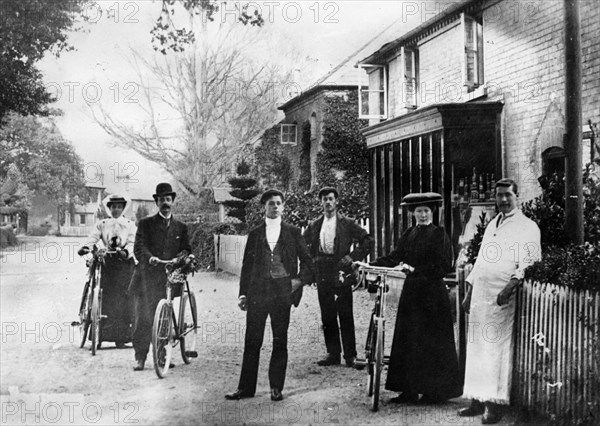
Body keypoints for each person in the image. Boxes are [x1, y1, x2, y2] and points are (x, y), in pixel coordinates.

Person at [459, 179, 541, 424]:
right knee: (477, 347)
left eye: (508, 195)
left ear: (517, 196)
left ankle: (494, 405)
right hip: (481, 293)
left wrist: (511, 286)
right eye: (499, 195)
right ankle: (476, 399)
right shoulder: (493, 223)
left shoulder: (527, 226)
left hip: (501, 294)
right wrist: (468, 291)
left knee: (495, 348)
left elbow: (529, 261)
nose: (503, 200)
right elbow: (481, 260)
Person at [369, 192, 462, 404]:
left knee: (431, 341)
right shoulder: (409, 233)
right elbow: (394, 257)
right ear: (413, 214)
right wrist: (370, 264)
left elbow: (443, 265)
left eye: (426, 211)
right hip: (411, 294)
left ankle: (434, 392)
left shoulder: (439, 234)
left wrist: (414, 269)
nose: (422, 215)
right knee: (409, 340)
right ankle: (408, 389)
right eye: (418, 211)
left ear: (433, 212)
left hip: (432, 296)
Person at [225, 189, 313, 402]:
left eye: (278, 203)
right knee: (252, 340)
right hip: (258, 292)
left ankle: (276, 387)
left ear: (283, 207)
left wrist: (299, 280)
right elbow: (246, 266)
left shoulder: (293, 232)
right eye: (271, 203)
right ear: (264, 207)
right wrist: (243, 294)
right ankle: (245, 388)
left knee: (279, 340)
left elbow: (309, 262)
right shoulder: (255, 234)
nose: (275, 207)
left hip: (282, 291)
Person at [303, 186, 373, 367]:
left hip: (341, 269)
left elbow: (368, 240)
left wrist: (352, 257)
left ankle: (350, 355)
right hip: (322, 271)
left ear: (337, 201)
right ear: (321, 202)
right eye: (324, 199)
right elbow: (302, 245)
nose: (327, 202)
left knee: (345, 312)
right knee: (327, 313)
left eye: (331, 199)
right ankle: (333, 353)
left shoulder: (347, 223)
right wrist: (311, 264)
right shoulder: (315, 225)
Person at [128, 183, 191, 371]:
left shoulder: (181, 227)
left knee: (165, 318)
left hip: (169, 277)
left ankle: (163, 354)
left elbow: (186, 248)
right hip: (146, 277)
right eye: (162, 200)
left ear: (172, 202)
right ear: (156, 202)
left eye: (168, 200)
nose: (165, 203)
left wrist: (183, 259)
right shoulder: (145, 224)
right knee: (144, 317)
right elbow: (139, 247)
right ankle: (140, 357)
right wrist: (150, 258)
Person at [78, 194, 136, 349]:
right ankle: (101, 335)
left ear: (123, 208)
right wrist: (87, 247)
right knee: (105, 296)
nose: (115, 210)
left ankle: (122, 337)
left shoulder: (130, 224)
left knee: (124, 297)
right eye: (113, 207)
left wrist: (126, 252)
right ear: (109, 208)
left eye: (119, 207)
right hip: (107, 263)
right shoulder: (102, 224)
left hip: (124, 264)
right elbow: (93, 237)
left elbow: (132, 242)